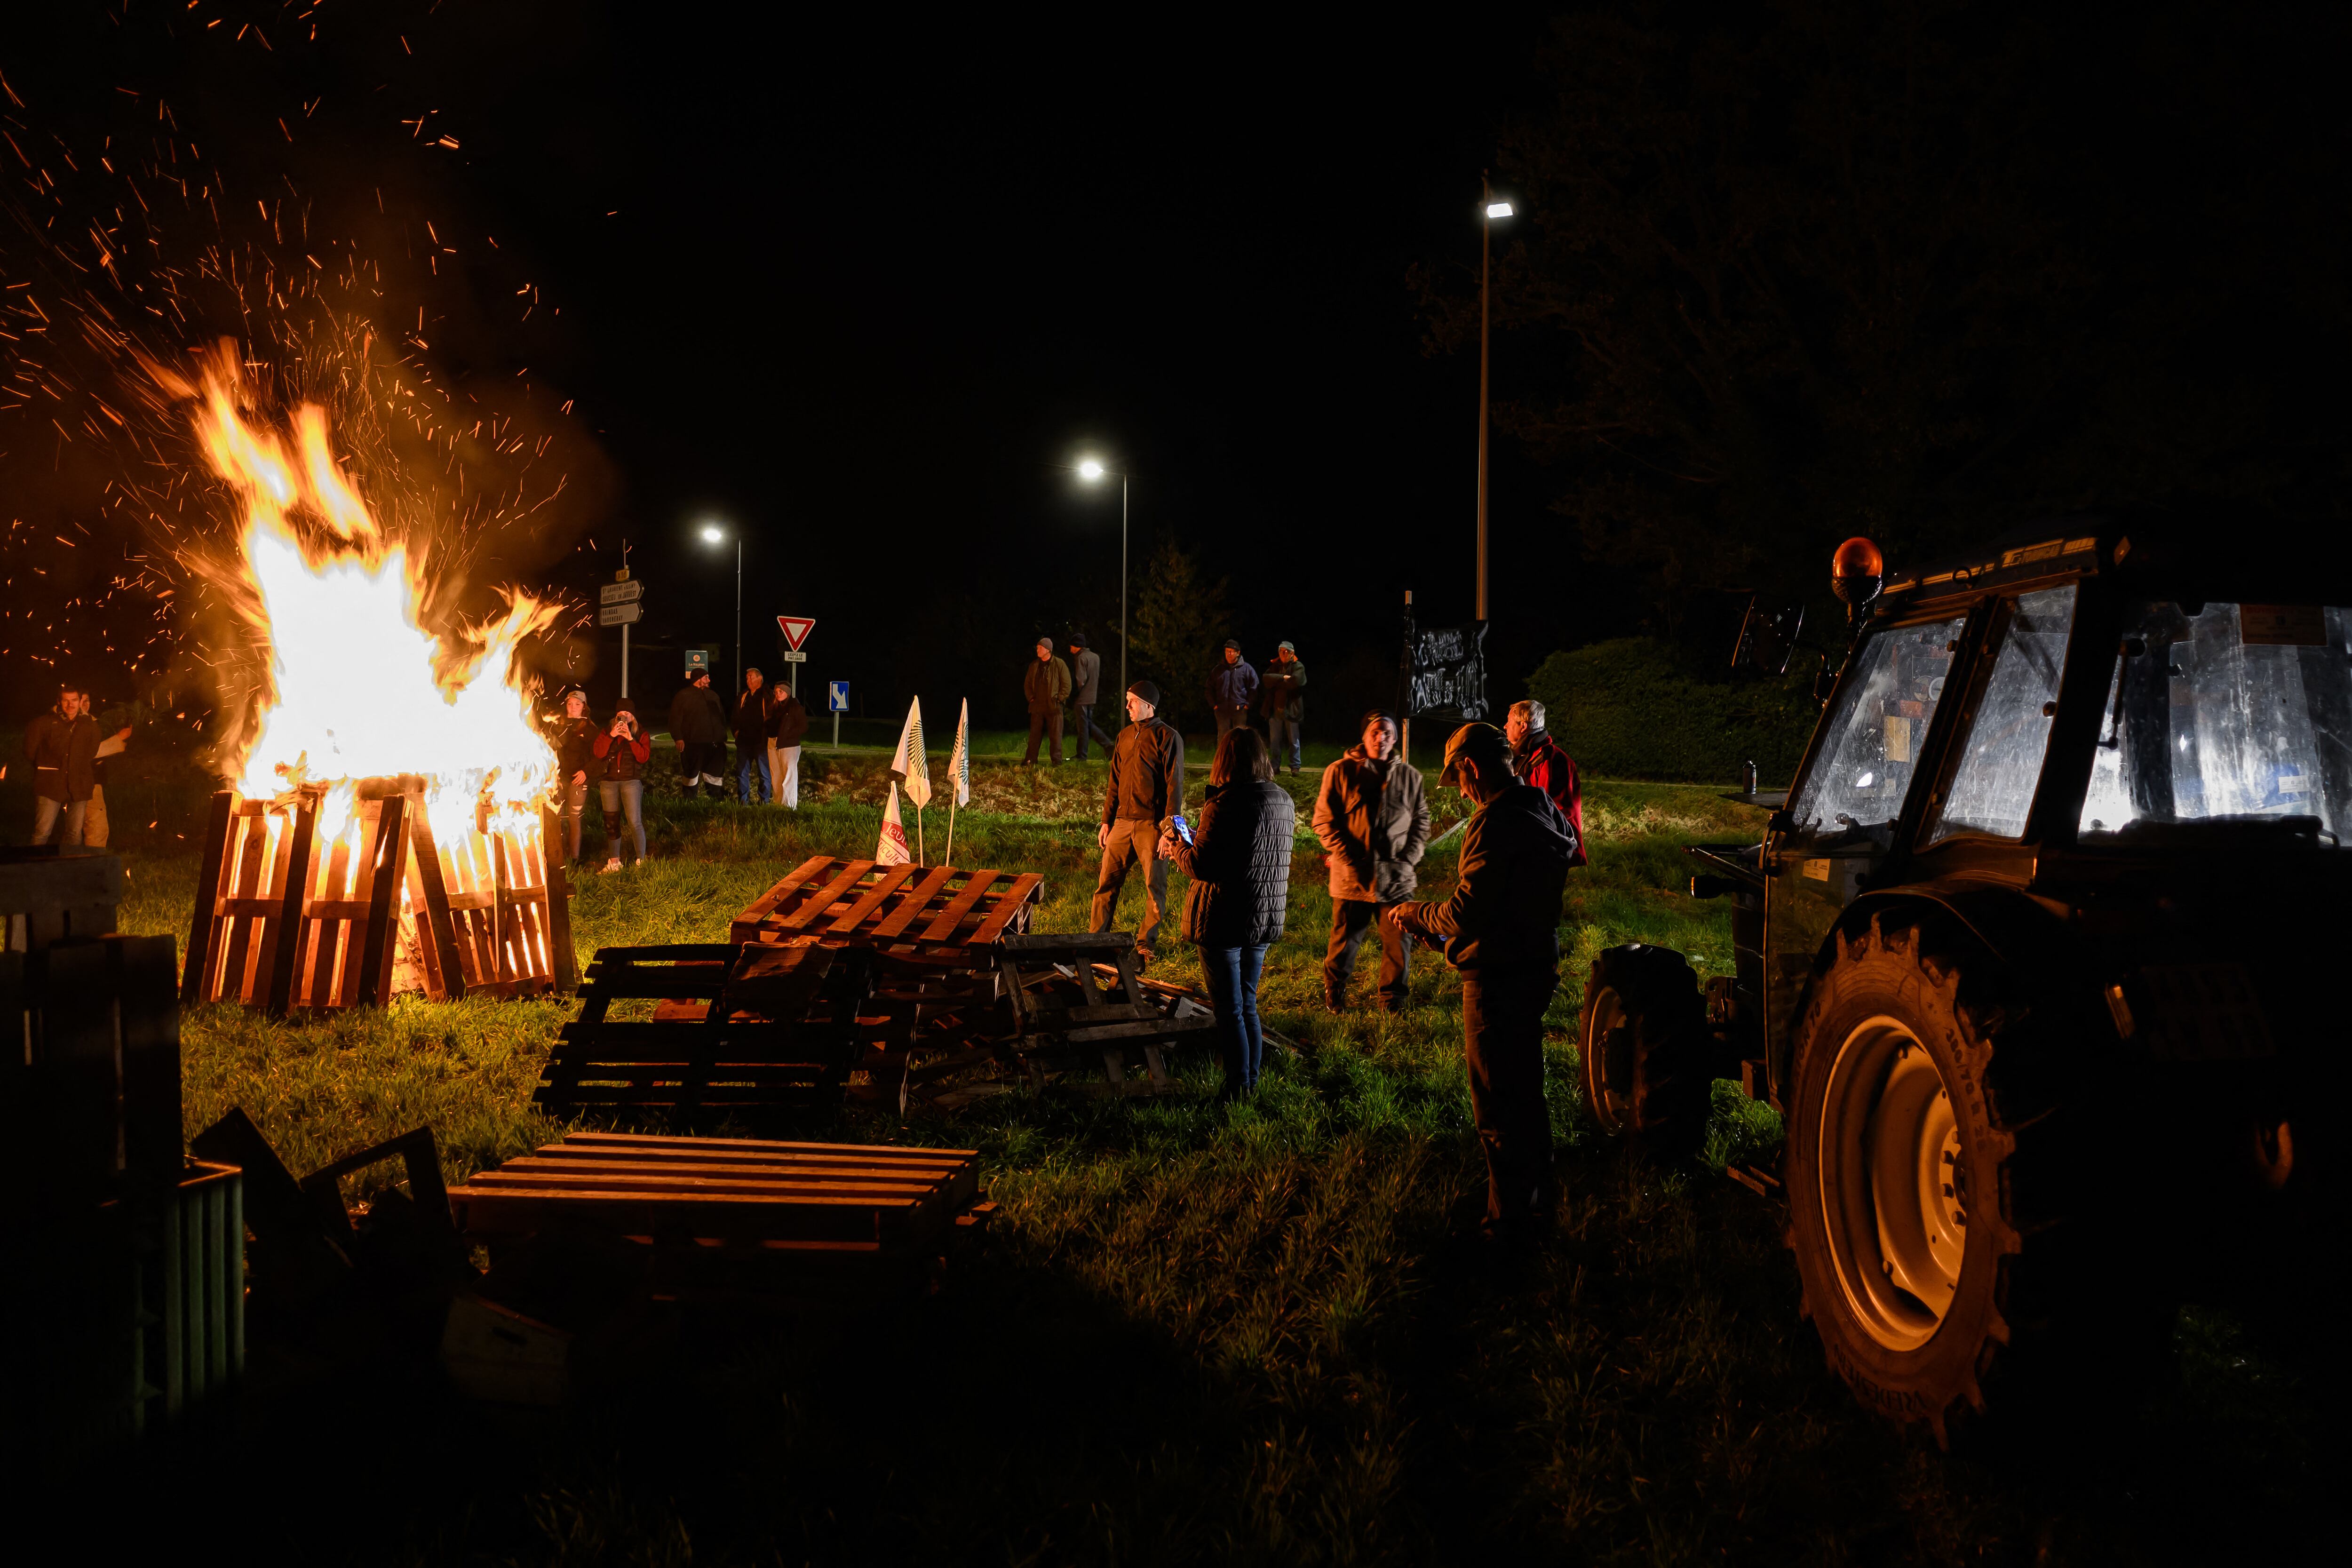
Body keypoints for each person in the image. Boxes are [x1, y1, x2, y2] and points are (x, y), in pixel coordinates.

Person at [1385, 723, 1579, 1250]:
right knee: (1526, 1092)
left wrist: (1418, 915)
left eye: (1461, 779)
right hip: (1535, 964)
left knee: (1495, 1105)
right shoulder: (1542, 807)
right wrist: (1446, 939)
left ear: (1470, 767)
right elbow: (1507, 903)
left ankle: (1505, 1227)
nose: (1463, 791)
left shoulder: (1494, 822)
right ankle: (1541, 1202)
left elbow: (1468, 910)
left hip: (1496, 978)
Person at [1162, 726, 1293, 1099]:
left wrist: (1177, 843)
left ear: (1224, 761)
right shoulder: (1283, 800)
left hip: (1224, 917)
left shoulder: (1223, 803)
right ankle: (1250, 1081)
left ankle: (1237, 1088)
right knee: (1247, 1004)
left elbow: (1201, 865)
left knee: (1230, 1010)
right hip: (1263, 916)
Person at [1312, 709, 1430, 1013]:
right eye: (1375, 732)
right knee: (1345, 940)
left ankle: (1393, 1001)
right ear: (1364, 736)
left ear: (1395, 738)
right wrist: (1349, 857)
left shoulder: (1410, 777)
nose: (1382, 738)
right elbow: (1324, 822)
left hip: (1396, 877)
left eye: (1388, 733)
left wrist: (1410, 858)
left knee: (1399, 943)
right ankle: (1335, 991)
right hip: (1353, 877)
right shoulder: (1339, 772)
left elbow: (1421, 821)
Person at [1091, 679, 1185, 963]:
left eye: (1132, 701)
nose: (1128, 706)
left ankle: (1146, 945)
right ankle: (1095, 941)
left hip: (1151, 826)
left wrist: (1168, 830)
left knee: (1154, 887)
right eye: (1128, 700)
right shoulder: (1123, 736)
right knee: (1106, 883)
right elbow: (1114, 781)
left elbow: (1174, 786)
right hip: (1121, 823)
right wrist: (1107, 820)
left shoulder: (1168, 737)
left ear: (1148, 705)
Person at [1506, 699, 1589, 868]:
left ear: (1523, 726)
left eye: (1509, 721)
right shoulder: (1526, 757)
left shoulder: (1551, 761)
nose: (1505, 726)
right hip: (1536, 848)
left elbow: (1552, 813)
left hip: (1552, 851)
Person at [26, 683, 102, 846]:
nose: (70, 705)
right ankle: (33, 869)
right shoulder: (42, 724)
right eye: (66, 700)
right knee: (42, 833)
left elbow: (92, 752)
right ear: (59, 701)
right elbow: (30, 752)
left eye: (74, 700)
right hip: (50, 785)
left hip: (79, 785)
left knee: (74, 834)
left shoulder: (90, 725)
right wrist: (48, 768)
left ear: (80, 701)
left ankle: (69, 868)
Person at [593, 699, 652, 870]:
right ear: (615, 716)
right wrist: (612, 735)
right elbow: (598, 753)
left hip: (631, 781)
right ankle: (614, 862)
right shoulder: (607, 731)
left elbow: (643, 757)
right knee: (612, 823)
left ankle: (641, 860)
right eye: (621, 715)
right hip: (609, 782)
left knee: (634, 821)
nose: (624, 718)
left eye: (628, 715)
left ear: (633, 716)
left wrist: (630, 738)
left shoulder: (641, 733)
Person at [547, 686, 597, 865]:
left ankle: (575, 860)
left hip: (578, 779)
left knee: (575, 818)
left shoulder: (590, 729)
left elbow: (597, 756)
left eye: (577, 704)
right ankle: (557, 857)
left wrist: (586, 772)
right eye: (570, 704)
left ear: (584, 706)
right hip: (558, 780)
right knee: (557, 817)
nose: (573, 707)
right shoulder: (558, 726)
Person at [669, 669, 728, 798]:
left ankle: (716, 799)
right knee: (691, 773)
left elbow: (721, 718)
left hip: (715, 744)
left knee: (715, 773)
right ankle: (689, 800)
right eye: (706, 677)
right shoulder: (684, 696)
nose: (709, 680)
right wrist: (678, 738)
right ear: (698, 679)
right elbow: (675, 719)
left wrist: (722, 736)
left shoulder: (713, 696)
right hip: (693, 743)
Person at [1021, 636, 1072, 766]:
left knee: (1055, 736)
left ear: (1048, 650)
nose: (1038, 650)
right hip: (1037, 707)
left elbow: (1067, 685)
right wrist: (1031, 698)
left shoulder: (1059, 664)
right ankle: (1030, 760)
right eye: (1038, 648)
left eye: (1040, 648)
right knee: (1034, 736)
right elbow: (1027, 684)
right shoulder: (1034, 666)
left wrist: (1060, 699)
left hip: (1054, 707)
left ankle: (1056, 761)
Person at [1260, 641, 1308, 775]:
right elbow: (1266, 679)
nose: (1284, 654)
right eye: (1281, 651)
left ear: (1292, 653)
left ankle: (1295, 767)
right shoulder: (1275, 666)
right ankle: (1275, 766)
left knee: (1294, 740)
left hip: (1291, 710)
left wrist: (1278, 683)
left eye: (1286, 651)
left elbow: (1296, 682)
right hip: (1275, 711)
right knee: (1275, 741)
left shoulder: (1298, 667)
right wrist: (1283, 678)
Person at [733, 667, 776, 804]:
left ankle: (764, 801)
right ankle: (743, 801)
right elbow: (735, 716)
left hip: (761, 741)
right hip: (744, 741)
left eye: (751, 677)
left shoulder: (767, 695)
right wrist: (736, 732)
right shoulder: (744, 696)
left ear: (760, 678)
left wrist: (768, 734)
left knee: (764, 773)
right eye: (747, 678)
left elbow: (773, 717)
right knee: (742, 772)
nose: (748, 680)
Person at [1069, 631, 1113, 761]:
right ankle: (1086, 753)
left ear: (1077, 646)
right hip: (1092, 697)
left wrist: (1074, 696)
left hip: (1082, 698)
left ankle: (1088, 753)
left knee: (1084, 727)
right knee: (1087, 725)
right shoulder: (1095, 657)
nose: (1070, 649)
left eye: (1071, 646)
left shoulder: (1081, 658)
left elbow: (1081, 680)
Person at [769, 677, 809, 809]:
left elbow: (803, 727)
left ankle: (789, 806)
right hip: (774, 743)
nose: (778, 694)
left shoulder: (795, 707)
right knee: (776, 776)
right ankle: (778, 804)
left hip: (789, 745)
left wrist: (789, 735)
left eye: (782, 691)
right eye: (776, 691)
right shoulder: (774, 707)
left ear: (788, 692)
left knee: (788, 777)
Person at [1207, 639, 1259, 740]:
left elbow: (1254, 687)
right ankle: (1223, 756)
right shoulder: (1218, 670)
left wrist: (1248, 705)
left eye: (1231, 651)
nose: (1229, 654)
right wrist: (1214, 705)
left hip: (1240, 710)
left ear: (1238, 653)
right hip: (1221, 710)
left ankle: (1239, 756)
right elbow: (1209, 688)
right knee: (1223, 737)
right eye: (1227, 651)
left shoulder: (1246, 669)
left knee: (1240, 737)